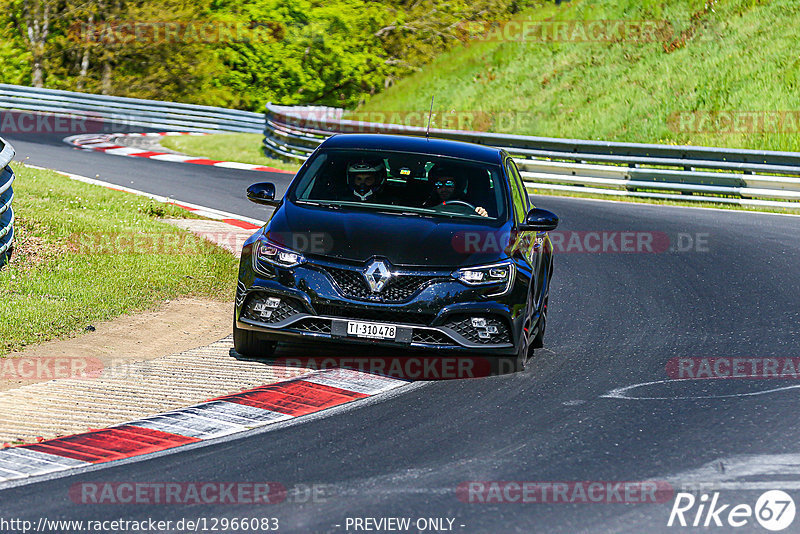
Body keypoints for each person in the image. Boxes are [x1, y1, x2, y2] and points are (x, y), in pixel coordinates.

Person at [423, 165, 488, 217]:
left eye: (449, 184)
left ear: (458, 185)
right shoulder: (429, 202)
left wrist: (482, 214)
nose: (443, 189)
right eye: (439, 184)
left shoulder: (470, 204)